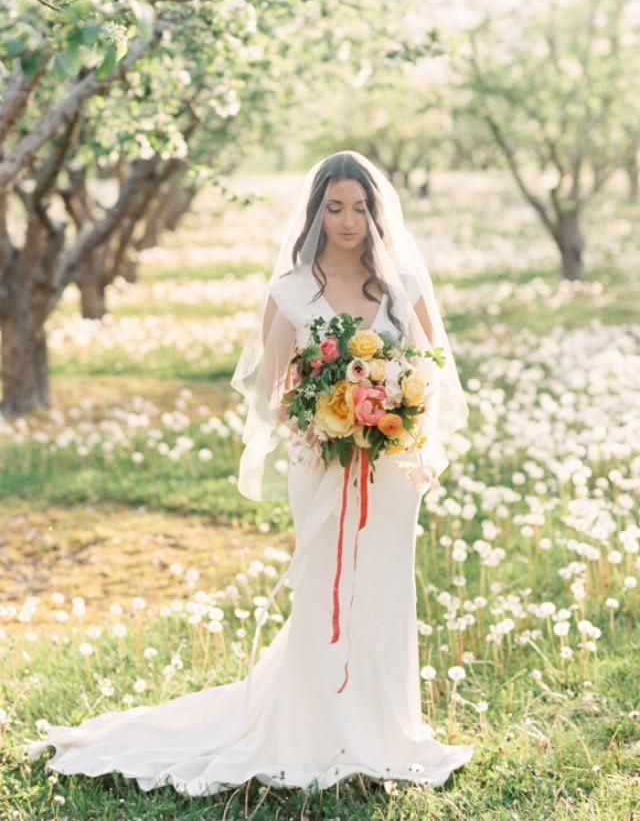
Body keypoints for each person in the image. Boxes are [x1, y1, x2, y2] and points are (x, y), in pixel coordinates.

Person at [27, 151, 474, 796]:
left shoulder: (403, 280)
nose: (349, 220)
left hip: (391, 464)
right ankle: (314, 728)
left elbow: (430, 367)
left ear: (377, 211)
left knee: (382, 588)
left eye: (360, 206)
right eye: (335, 206)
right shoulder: (292, 288)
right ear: (317, 211)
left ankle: (385, 729)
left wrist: (394, 409)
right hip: (321, 457)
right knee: (323, 588)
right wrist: (331, 415)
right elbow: (273, 387)